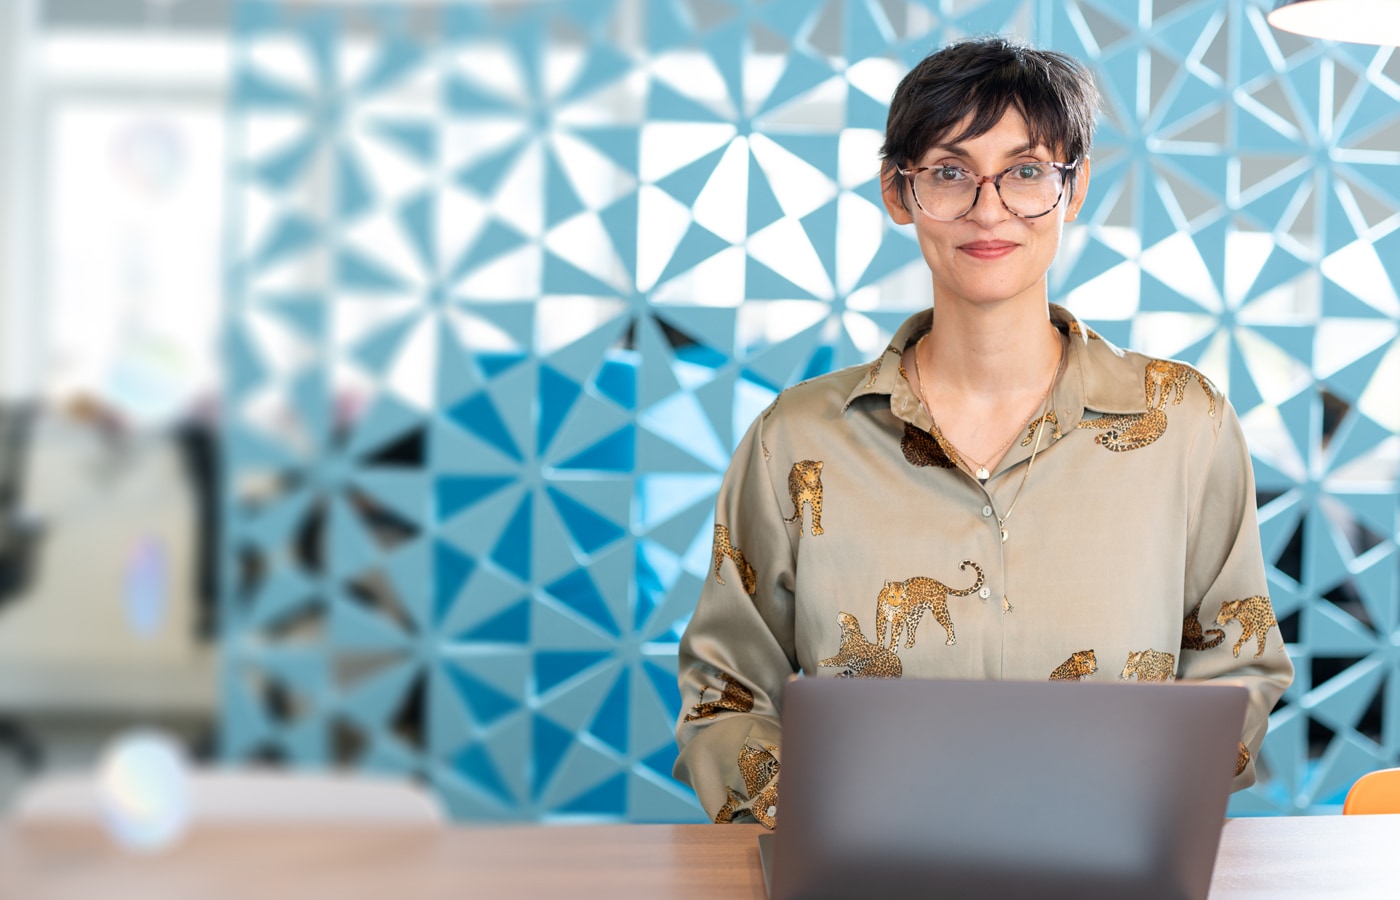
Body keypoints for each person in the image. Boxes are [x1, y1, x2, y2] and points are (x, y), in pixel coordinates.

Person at [673, 36, 1294, 828]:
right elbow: (726, 694)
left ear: (1074, 188)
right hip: (866, 877)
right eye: (949, 172)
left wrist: (1132, 805)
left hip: (1111, 870)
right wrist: (830, 816)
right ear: (900, 193)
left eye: (1026, 172)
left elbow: (1238, 669)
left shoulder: (1184, 423)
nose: (988, 208)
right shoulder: (794, 440)